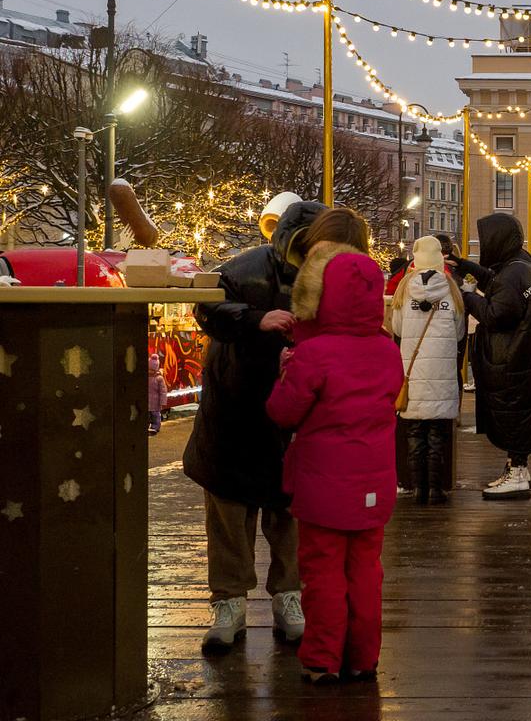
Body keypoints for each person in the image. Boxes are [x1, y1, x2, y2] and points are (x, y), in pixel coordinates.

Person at [185, 198, 327, 655]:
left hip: (291, 410)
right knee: (229, 510)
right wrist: (254, 318)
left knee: (288, 512)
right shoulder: (245, 268)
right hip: (236, 406)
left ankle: (288, 595)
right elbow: (206, 308)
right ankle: (229, 601)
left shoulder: (328, 275)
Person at [266, 240, 402, 683]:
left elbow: (283, 412)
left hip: (324, 487)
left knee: (322, 574)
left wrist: (286, 370)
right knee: (366, 572)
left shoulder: (316, 354)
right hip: (374, 485)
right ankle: (364, 657)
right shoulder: (387, 351)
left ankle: (322, 659)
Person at [461, 213, 531, 499]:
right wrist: (471, 268)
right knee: (520, 414)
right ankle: (518, 468)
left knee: (514, 417)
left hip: (514, 361)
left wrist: (467, 296)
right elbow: (501, 287)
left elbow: (497, 313)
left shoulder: (513, 273)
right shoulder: (522, 264)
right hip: (526, 359)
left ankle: (516, 473)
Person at [387, 236, 467, 505]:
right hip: (442, 372)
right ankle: (436, 489)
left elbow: (396, 328)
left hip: (413, 371)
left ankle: (417, 488)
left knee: (415, 432)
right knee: (437, 433)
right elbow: (459, 332)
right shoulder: (451, 289)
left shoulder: (404, 289)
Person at [148, 353, 168, 436]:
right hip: (148, 401)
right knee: (150, 415)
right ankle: (151, 427)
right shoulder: (149, 377)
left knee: (156, 415)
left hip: (155, 402)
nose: (150, 371)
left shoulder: (159, 378)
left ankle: (155, 427)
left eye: (152, 369)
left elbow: (163, 391)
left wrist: (163, 402)